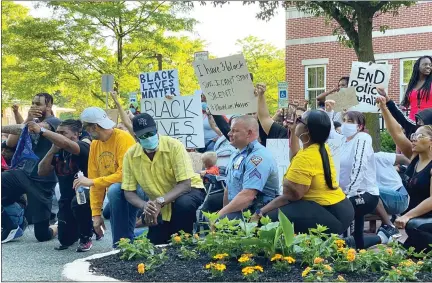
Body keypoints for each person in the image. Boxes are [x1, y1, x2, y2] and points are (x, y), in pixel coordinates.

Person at [251, 110, 354, 235]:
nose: (296, 122)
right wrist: (293, 131)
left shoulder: (306, 158)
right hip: (341, 208)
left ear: (307, 130)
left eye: (299, 120)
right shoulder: (320, 147)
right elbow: (295, 156)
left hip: (330, 213)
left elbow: (290, 197)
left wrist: (260, 212)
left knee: (266, 221)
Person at [120, 113, 205, 245]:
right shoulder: (130, 155)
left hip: (188, 191)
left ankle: (186, 242)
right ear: (136, 138)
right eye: (143, 136)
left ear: (156, 130)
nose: (148, 138)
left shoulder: (174, 146)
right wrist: (146, 206)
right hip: (159, 201)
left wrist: (159, 202)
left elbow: (185, 184)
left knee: (183, 205)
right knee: (157, 243)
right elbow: (128, 192)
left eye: (151, 133)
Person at [1, 93, 61, 243]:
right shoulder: (31, 121)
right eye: (32, 103)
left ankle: (60, 225)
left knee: (42, 235)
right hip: (22, 173)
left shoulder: (54, 121)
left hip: (42, 180)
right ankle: (12, 224)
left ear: (48, 106)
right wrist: (27, 117)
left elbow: (32, 128)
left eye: (38, 104)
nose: (34, 106)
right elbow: (11, 143)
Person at [73, 107, 136, 246]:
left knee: (114, 190)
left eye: (85, 127)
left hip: (137, 188)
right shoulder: (95, 144)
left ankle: (121, 246)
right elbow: (95, 183)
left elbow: (125, 175)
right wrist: (96, 215)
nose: (84, 131)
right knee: (113, 193)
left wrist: (92, 182)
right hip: (117, 191)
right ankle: (124, 244)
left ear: (94, 127)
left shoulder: (123, 138)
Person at [377, 96, 432, 252]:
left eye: (419, 136)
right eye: (413, 136)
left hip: (423, 222)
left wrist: (408, 216)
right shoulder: (415, 157)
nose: (413, 139)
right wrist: (384, 108)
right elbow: (397, 133)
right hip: (413, 223)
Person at [35, 119, 94, 252]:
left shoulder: (83, 146)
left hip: (86, 195)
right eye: (57, 132)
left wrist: (42, 131)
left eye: (63, 133)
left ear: (76, 134)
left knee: (78, 202)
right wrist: (52, 149)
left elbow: (67, 143)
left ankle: (86, 237)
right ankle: (94, 227)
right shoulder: (58, 151)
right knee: (65, 240)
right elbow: (41, 171)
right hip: (66, 198)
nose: (59, 135)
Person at [214, 115, 279, 219]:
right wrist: (223, 213)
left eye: (234, 131)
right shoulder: (236, 153)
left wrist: (220, 215)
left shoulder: (258, 157)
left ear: (249, 133)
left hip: (257, 213)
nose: (229, 134)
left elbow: (248, 196)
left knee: (218, 219)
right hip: (240, 209)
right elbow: (229, 188)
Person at [337, 111, 381, 249]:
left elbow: (359, 164)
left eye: (350, 121)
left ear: (360, 126)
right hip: (347, 192)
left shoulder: (363, 138)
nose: (345, 124)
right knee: (358, 235)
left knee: (343, 207)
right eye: (344, 120)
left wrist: (349, 192)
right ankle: (361, 250)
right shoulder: (342, 141)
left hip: (365, 193)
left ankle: (344, 247)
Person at [373, 152, 410, 239]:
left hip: (400, 197)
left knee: (369, 189)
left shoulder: (379, 156)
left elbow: (404, 158)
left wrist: (417, 173)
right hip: (383, 199)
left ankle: (390, 227)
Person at [400, 56, 432, 120]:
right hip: (413, 122)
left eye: (430, 65)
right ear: (418, 66)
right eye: (425, 64)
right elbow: (404, 104)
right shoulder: (411, 85)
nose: (428, 66)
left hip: (429, 123)